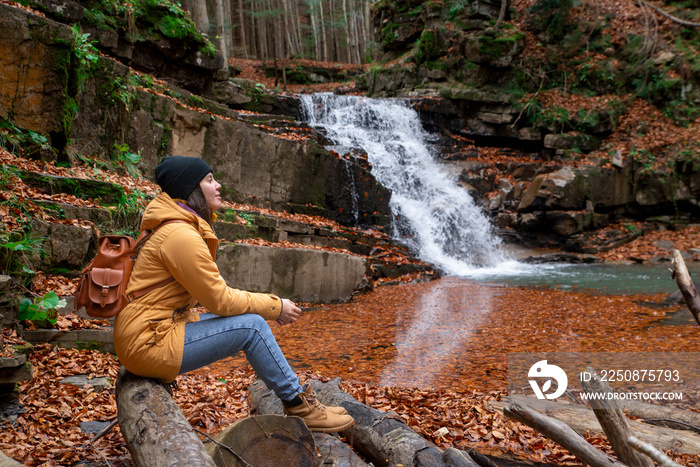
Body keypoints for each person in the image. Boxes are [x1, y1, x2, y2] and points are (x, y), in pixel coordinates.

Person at [113, 155, 355, 433]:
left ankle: (301, 401)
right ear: (191, 188)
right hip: (147, 341)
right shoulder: (180, 235)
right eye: (209, 179)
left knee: (248, 319)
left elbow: (212, 300)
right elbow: (220, 300)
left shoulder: (174, 226)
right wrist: (275, 306)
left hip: (147, 333)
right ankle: (300, 406)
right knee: (253, 327)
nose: (218, 186)